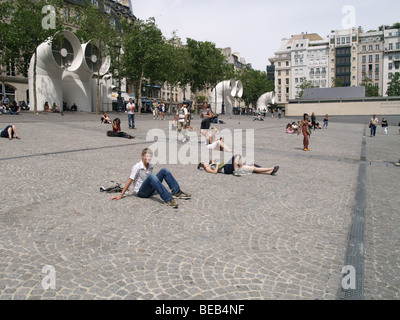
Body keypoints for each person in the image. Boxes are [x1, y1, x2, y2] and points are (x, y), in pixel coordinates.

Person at [110, 148, 191, 208]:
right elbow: (129, 180)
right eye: (146, 156)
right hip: (141, 192)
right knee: (151, 176)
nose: (148, 158)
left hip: (150, 189)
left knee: (164, 170)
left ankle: (177, 192)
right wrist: (121, 195)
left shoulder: (151, 165)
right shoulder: (137, 167)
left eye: (150, 156)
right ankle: (167, 199)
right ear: (142, 156)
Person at [198, 154, 279, 176]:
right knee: (236, 156)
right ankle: (236, 170)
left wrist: (215, 162)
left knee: (252, 168)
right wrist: (217, 165)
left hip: (228, 167)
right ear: (202, 165)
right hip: (226, 169)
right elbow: (215, 172)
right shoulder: (207, 168)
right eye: (203, 162)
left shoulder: (210, 164)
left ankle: (269, 171)